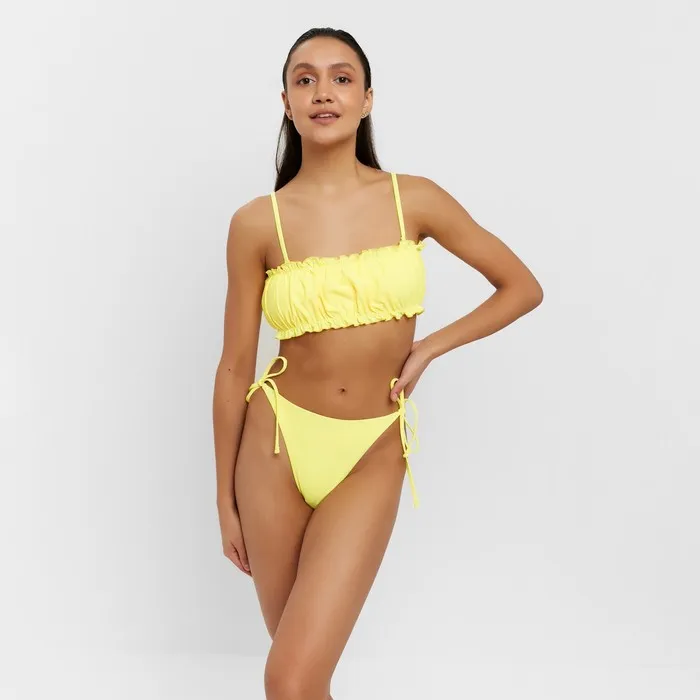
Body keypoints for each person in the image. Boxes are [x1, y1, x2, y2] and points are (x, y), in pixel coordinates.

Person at [212, 26, 543, 700]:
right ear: (286, 102)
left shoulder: (412, 199)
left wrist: (430, 347)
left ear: (366, 100)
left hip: (371, 450)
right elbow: (233, 369)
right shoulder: (256, 223)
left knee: (290, 678)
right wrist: (224, 501)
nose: (323, 92)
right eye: (305, 79)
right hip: (273, 448)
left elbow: (521, 287)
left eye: (341, 78)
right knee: (302, 681)